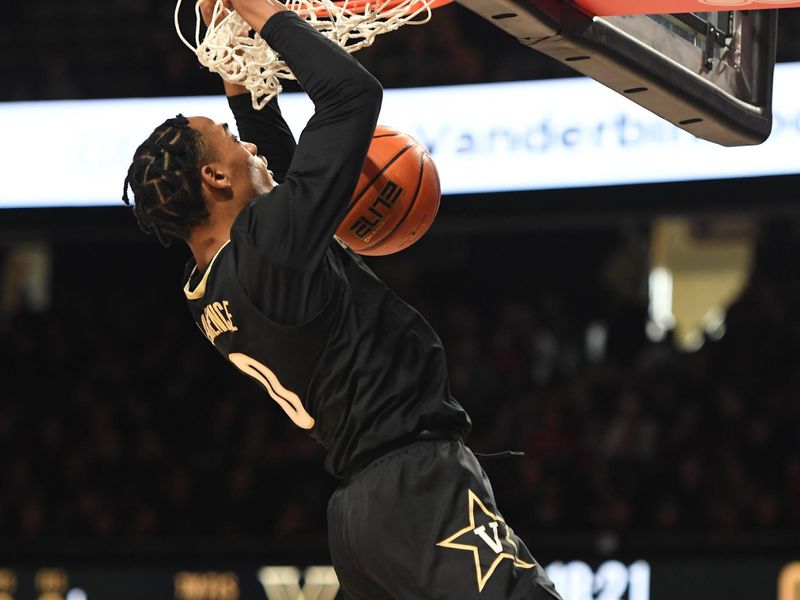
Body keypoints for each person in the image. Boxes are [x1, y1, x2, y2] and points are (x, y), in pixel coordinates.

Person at [123, 0, 562, 598]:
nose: (242, 144)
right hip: (414, 484)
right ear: (215, 180)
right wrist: (261, 11)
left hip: (360, 517)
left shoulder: (212, 286)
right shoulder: (268, 246)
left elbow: (272, 168)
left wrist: (243, 89)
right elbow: (352, 95)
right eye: (227, 141)